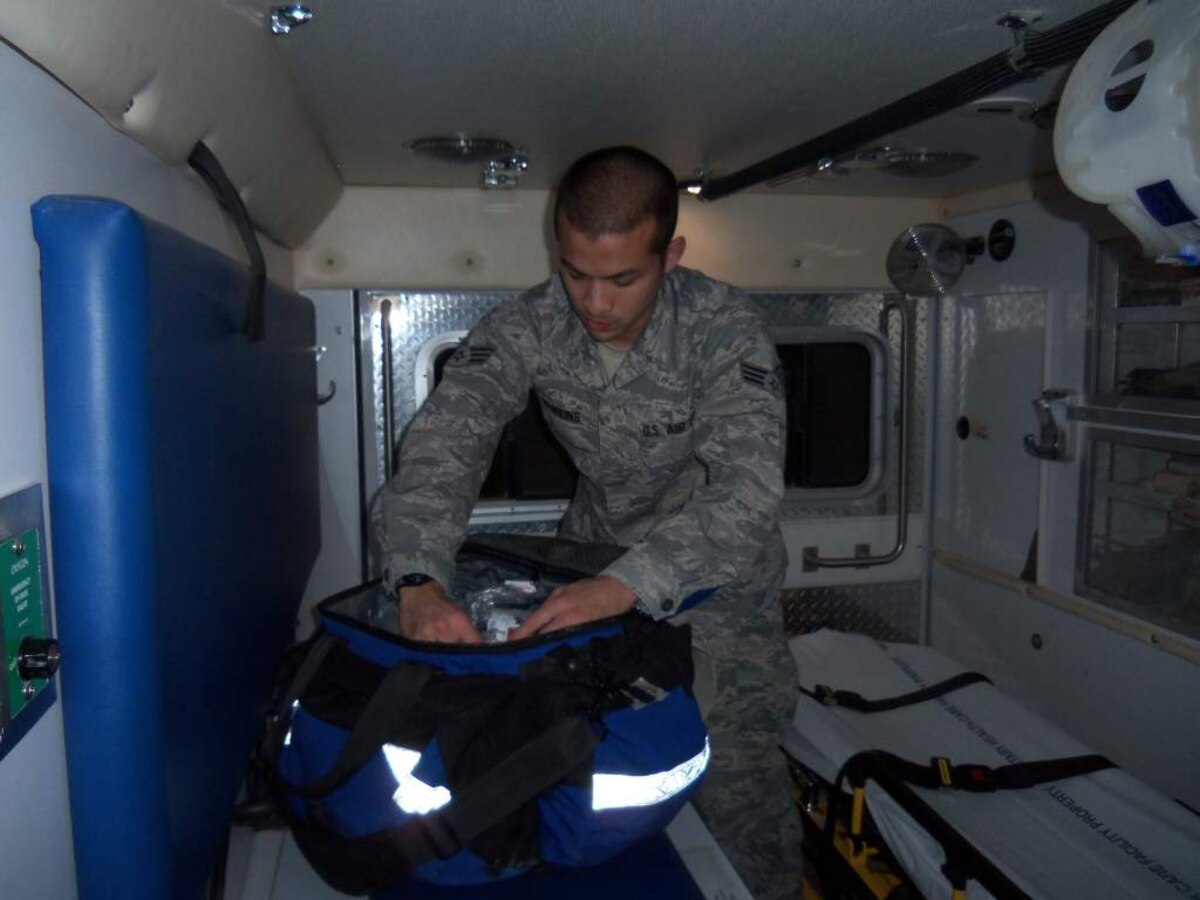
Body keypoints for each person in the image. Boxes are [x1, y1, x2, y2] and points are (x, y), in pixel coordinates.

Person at [371, 146, 800, 899]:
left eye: (623, 279)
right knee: (586, 770)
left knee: (738, 786)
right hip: (591, 568)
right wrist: (416, 578)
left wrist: (624, 585)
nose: (594, 303)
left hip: (718, 591)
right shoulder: (530, 324)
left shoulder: (724, 331)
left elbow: (747, 494)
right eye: (575, 273)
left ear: (670, 255)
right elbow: (444, 446)